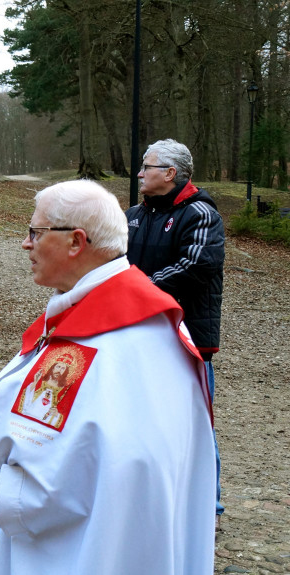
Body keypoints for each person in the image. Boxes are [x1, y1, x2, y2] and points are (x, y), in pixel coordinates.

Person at [0, 181, 215, 575]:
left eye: (35, 232)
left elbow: (120, 459)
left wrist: (4, 422)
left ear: (76, 242)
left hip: (88, 548)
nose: (25, 243)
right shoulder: (96, 313)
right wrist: (1, 402)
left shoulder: (123, 335)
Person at [126, 138, 225, 519]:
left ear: (169, 173)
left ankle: (206, 507)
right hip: (136, 333)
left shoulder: (201, 214)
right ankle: (149, 503)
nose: (139, 174)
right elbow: (112, 260)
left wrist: (137, 289)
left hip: (187, 340)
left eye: (146, 167)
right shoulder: (133, 214)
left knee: (194, 424)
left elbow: (195, 266)